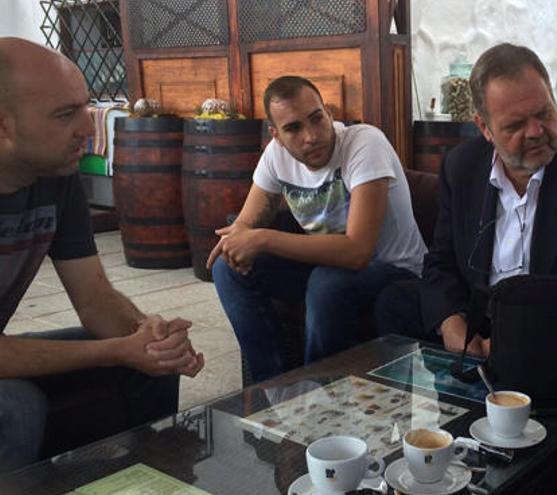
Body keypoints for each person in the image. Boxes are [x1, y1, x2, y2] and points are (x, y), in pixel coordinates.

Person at [376, 43, 557, 356]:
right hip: (479, 321)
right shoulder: (462, 167)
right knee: (395, 300)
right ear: (484, 127)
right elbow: (442, 261)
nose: (536, 131)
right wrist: (449, 322)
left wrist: (523, 336)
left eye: (544, 114)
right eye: (515, 125)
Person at [0, 37, 204, 472]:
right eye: (64, 114)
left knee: (151, 360)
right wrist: (117, 349)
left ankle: (150, 480)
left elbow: (94, 299)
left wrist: (146, 334)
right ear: (3, 126)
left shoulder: (55, 175)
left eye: (85, 108)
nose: (89, 129)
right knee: (14, 408)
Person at [208, 76, 426, 377]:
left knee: (327, 284)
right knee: (225, 267)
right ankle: (275, 389)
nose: (311, 136)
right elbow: (246, 224)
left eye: (316, 118)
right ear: (277, 136)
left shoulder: (365, 143)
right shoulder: (276, 157)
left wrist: (263, 239)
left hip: (393, 269)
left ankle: (321, 395)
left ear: (330, 113)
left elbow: (357, 251)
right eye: (293, 128)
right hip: (330, 266)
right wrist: (237, 242)